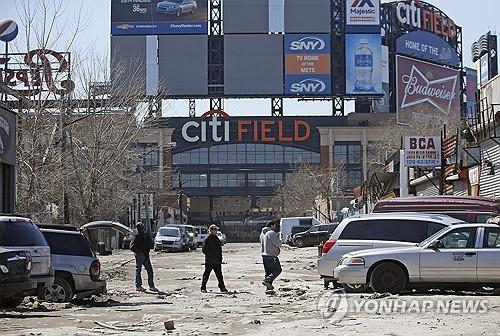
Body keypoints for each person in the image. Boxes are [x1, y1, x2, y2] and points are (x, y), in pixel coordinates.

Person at [130, 222, 158, 292]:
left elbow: (150, 243)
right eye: (140, 226)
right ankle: (138, 286)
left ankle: (151, 286)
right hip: (140, 255)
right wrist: (139, 252)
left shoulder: (145, 235)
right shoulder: (137, 236)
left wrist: (148, 249)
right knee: (138, 270)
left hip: (146, 255)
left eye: (142, 226)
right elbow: (132, 247)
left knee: (150, 270)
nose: (142, 228)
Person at [201, 224, 228, 293]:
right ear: (211, 230)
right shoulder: (207, 239)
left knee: (219, 275)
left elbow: (219, 250)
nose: (216, 231)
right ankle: (203, 287)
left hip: (217, 261)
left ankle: (222, 287)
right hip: (209, 261)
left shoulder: (216, 238)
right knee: (206, 275)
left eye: (216, 230)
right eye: (214, 230)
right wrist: (211, 256)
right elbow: (204, 250)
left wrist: (220, 258)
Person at [260, 220, 282, 291]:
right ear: (271, 225)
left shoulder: (262, 234)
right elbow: (278, 243)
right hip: (271, 255)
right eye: (274, 226)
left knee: (268, 272)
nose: (275, 228)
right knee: (277, 270)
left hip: (264, 255)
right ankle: (267, 281)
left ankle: (268, 288)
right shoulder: (271, 233)